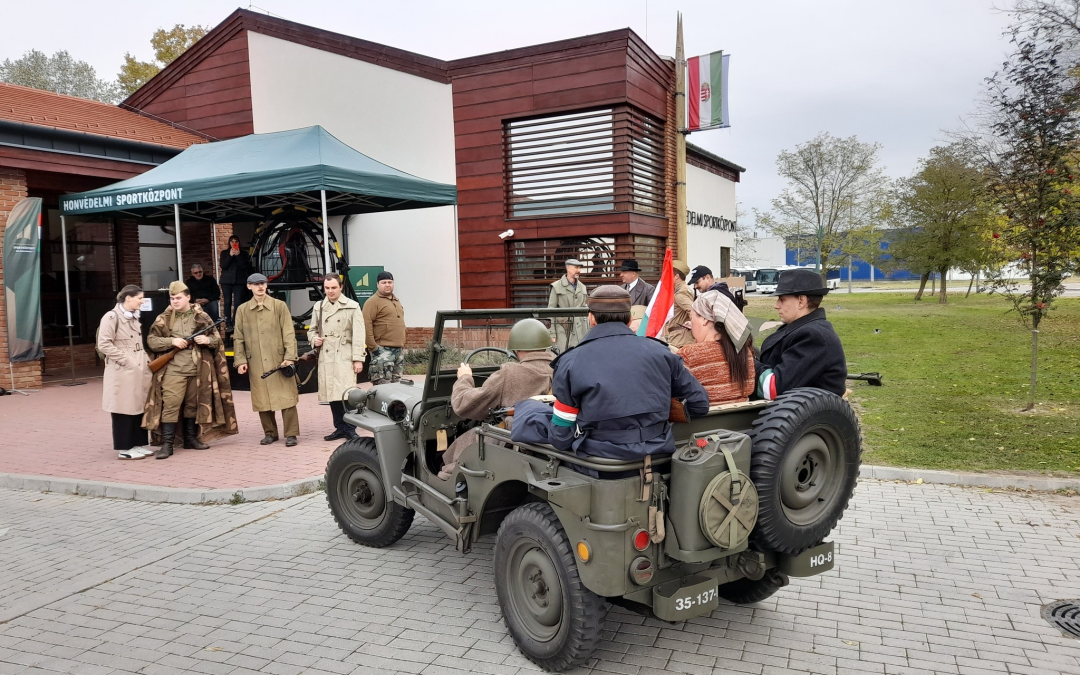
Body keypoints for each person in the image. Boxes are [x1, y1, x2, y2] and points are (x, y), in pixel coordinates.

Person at [548, 285, 709, 462]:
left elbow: (561, 437)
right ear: (630, 319)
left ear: (591, 319)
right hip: (659, 459)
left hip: (599, 465)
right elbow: (699, 404)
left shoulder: (570, 361)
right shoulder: (662, 353)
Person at [437, 318, 555, 481]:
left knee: (466, 441)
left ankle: (449, 482)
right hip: (549, 438)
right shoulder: (560, 368)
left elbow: (463, 405)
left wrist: (464, 378)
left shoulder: (510, 374)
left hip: (511, 440)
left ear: (517, 348)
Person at [144, 281, 238, 459]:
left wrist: (207, 341)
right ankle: (167, 444)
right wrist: (171, 342)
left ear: (188, 297)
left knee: (192, 405)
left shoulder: (201, 317)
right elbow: (152, 341)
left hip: (197, 369)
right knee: (170, 405)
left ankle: (190, 439)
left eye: (178, 298)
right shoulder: (164, 318)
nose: (175, 301)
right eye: (172, 298)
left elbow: (217, 340)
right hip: (173, 370)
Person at [755, 268, 847, 400]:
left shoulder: (814, 336)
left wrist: (745, 363)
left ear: (801, 301)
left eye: (782, 299)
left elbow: (774, 388)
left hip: (802, 418)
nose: (776, 305)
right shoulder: (800, 328)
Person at [233, 273, 301, 446]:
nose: (260, 287)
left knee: (287, 397)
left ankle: (291, 433)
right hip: (255, 361)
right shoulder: (242, 310)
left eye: (262, 283)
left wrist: (290, 357)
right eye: (255, 284)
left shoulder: (279, 306)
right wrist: (240, 361)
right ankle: (270, 433)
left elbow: (288, 332)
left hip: (278, 359)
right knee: (261, 397)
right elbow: (238, 338)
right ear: (249, 286)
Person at [97, 285, 152, 459]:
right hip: (123, 368)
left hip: (138, 365)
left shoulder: (134, 317)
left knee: (138, 405)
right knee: (123, 407)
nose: (142, 301)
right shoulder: (112, 316)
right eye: (139, 298)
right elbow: (104, 344)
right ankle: (124, 448)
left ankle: (138, 443)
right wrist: (127, 360)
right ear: (128, 298)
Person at [309, 275, 366, 441]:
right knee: (332, 393)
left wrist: (358, 359)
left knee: (347, 393)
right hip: (326, 355)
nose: (330, 291)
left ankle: (350, 428)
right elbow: (311, 330)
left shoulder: (352, 306)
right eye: (327, 288)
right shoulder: (319, 307)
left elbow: (359, 335)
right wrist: (314, 339)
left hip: (344, 354)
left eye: (333, 287)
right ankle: (340, 427)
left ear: (340, 287)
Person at [679, 290, 755, 406]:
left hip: (700, 423)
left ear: (704, 319)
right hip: (743, 421)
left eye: (691, 317)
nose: (690, 323)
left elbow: (675, 396)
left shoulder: (688, 354)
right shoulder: (745, 352)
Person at [362, 271, 406, 385]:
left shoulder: (396, 300)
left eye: (390, 282)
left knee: (397, 386)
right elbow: (366, 325)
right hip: (382, 350)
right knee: (383, 386)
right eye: (384, 282)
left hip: (398, 350)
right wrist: (374, 347)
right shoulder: (372, 302)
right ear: (377, 284)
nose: (387, 285)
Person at [547, 258, 588, 351]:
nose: (579, 270)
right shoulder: (556, 287)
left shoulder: (583, 287)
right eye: (576, 267)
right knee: (563, 356)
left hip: (580, 330)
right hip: (563, 328)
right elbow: (550, 311)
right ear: (568, 268)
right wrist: (552, 333)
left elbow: (585, 310)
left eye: (579, 268)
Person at [219, 235, 250, 329]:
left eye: (236, 241)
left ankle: (235, 321)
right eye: (231, 241)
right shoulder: (224, 253)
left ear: (239, 243)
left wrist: (238, 256)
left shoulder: (244, 253)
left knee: (238, 302)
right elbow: (223, 266)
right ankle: (228, 323)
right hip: (226, 281)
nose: (234, 243)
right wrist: (230, 255)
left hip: (239, 281)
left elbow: (244, 266)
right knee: (227, 302)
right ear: (229, 243)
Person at [663, 260, 696, 348]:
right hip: (680, 336)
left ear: (677, 276)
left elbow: (693, 311)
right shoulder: (683, 290)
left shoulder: (680, 293)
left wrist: (693, 324)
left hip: (681, 339)